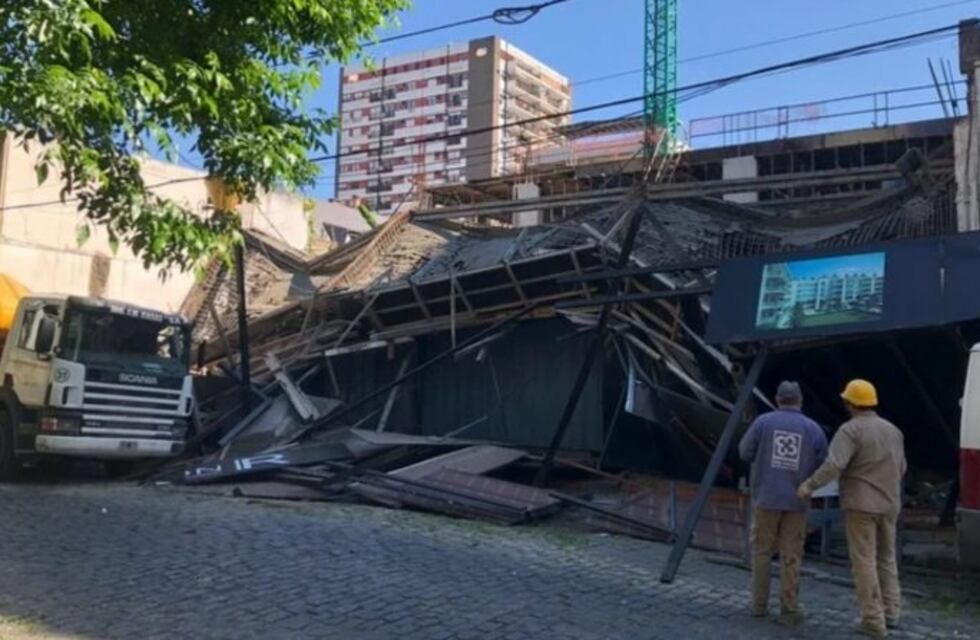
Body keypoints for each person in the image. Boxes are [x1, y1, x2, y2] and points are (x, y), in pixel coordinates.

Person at [798, 379, 907, 639]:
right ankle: (892, 612)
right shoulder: (893, 431)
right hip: (889, 503)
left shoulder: (850, 430)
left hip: (861, 505)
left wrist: (809, 486)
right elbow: (902, 467)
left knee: (864, 561)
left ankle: (873, 619)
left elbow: (834, 465)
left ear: (849, 403)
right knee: (886, 558)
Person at [738, 381, 828, 626]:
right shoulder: (813, 429)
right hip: (797, 501)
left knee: (762, 551)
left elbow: (744, 452)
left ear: (778, 399)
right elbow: (824, 463)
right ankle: (789, 609)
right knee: (792, 555)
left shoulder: (763, 423)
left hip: (766, 498)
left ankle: (758, 606)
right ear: (800, 400)